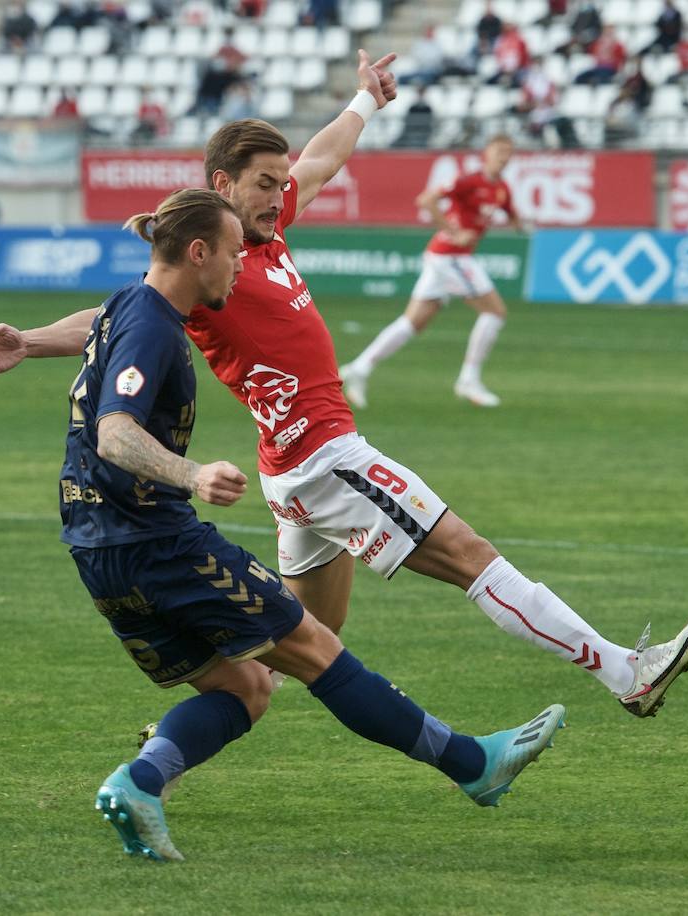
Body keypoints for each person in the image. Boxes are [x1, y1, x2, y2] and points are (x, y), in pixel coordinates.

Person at [0, 52, 688, 720]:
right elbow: (117, 316)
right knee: (468, 554)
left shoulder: (261, 229)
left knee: (307, 638)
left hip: (293, 472)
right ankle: (623, 671)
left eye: (278, 185)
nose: (278, 196)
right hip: (324, 459)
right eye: (262, 185)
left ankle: (177, 738)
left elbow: (320, 162)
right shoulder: (206, 265)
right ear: (221, 185)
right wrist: (29, 342)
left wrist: (365, 102)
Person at [46, 187, 565, 861]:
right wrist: (192, 474)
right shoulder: (151, 323)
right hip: (161, 544)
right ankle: (474, 764)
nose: (241, 266)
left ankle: (140, 782)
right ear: (198, 253)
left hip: (97, 555)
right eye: (234, 254)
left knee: (246, 687)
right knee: (318, 652)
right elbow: (115, 434)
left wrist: (24, 342)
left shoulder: (125, 306)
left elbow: (96, 373)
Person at [340, 135, 523, 408]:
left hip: (445, 258)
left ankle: (359, 368)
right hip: (451, 257)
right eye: (499, 151)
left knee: (412, 322)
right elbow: (426, 200)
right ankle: (468, 380)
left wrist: (520, 224)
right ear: (486, 153)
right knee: (494, 312)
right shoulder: (469, 180)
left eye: (508, 152)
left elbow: (512, 216)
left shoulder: (502, 189)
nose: (504, 157)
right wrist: (452, 231)